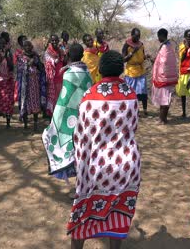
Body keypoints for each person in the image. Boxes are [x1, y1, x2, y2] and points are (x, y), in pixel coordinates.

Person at [68, 50, 140, 249]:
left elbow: (81, 136)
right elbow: (132, 129)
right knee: (118, 215)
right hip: (127, 165)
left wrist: (81, 171)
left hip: (97, 167)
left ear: (99, 69)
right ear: (122, 69)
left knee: (82, 214)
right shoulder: (132, 95)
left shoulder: (90, 96)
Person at [43, 43, 92, 185]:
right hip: (85, 116)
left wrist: (56, 121)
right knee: (82, 150)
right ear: (82, 55)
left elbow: (64, 102)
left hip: (70, 118)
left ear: (68, 56)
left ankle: (79, 187)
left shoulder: (69, 73)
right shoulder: (87, 72)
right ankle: (82, 184)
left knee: (69, 146)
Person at [16, 40, 47, 130]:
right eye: (25, 46)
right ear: (23, 48)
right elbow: (19, 70)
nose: (27, 47)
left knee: (35, 103)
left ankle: (36, 124)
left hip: (35, 83)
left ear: (31, 47)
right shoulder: (20, 57)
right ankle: (25, 124)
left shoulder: (35, 56)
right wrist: (28, 64)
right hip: (25, 85)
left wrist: (36, 62)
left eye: (29, 46)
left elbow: (41, 68)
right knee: (25, 104)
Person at [150, 28, 178, 124]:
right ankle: (163, 118)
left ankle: (162, 119)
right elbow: (161, 60)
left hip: (164, 77)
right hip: (169, 77)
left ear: (162, 36)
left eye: (159, 36)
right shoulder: (169, 46)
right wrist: (154, 60)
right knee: (166, 99)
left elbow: (163, 62)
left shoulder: (165, 47)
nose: (158, 38)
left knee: (164, 99)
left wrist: (155, 62)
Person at [0, 34, 15, 130]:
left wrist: (7, 54)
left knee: (8, 101)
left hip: (7, 81)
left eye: (3, 43)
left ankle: (8, 124)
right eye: (0, 43)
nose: (1, 45)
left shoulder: (8, 53)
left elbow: (11, 67)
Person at [122, 28, 148, 116]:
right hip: (131, 71)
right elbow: (123, 59)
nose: (138, 38)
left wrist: (146, 57)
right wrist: (132, 52)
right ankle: (132, 110)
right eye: (136, 36)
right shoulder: (127, 45)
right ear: (132, 35)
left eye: (139, 36)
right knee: (131, 92)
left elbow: (142, 56)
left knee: (143, 91)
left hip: (140, 70)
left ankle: (145, 110)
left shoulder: (141, 45)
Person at [45, 34, 65, 117]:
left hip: (60, 76)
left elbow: (64, 61)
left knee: (60, 95)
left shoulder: (60, 51)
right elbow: (48, 63)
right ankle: (52, 115)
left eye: (56, 40)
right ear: (50, 41)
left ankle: (59, 114)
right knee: (52, 97)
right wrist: (55, 60)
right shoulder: (48, 52)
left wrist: (63, 53)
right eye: (52, 40)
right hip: (52, 78)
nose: (54, 42)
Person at [176, 29, 190, 118]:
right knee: (183, 94)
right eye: (188, 36)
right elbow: (182, 59)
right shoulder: (182, 46)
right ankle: (184, 112)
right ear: (185, 37)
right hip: (183, 72)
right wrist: (186, 48)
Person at [13, 35, 27, 103]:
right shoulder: (17, 52)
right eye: (24, 40)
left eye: (26, 39)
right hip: (20, 72)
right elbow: (15, 63)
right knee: (20, 86)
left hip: (28, 72)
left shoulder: (29, 50)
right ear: (20, 42)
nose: (25, 41)